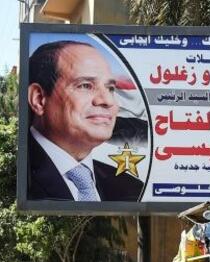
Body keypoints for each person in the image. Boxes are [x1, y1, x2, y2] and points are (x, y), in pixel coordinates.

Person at [27, 40, 144, 202]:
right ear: (39, 99)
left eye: (110, 88)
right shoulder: (19, 176)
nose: (107, 101)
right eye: (85, 86)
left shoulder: (131, 188)